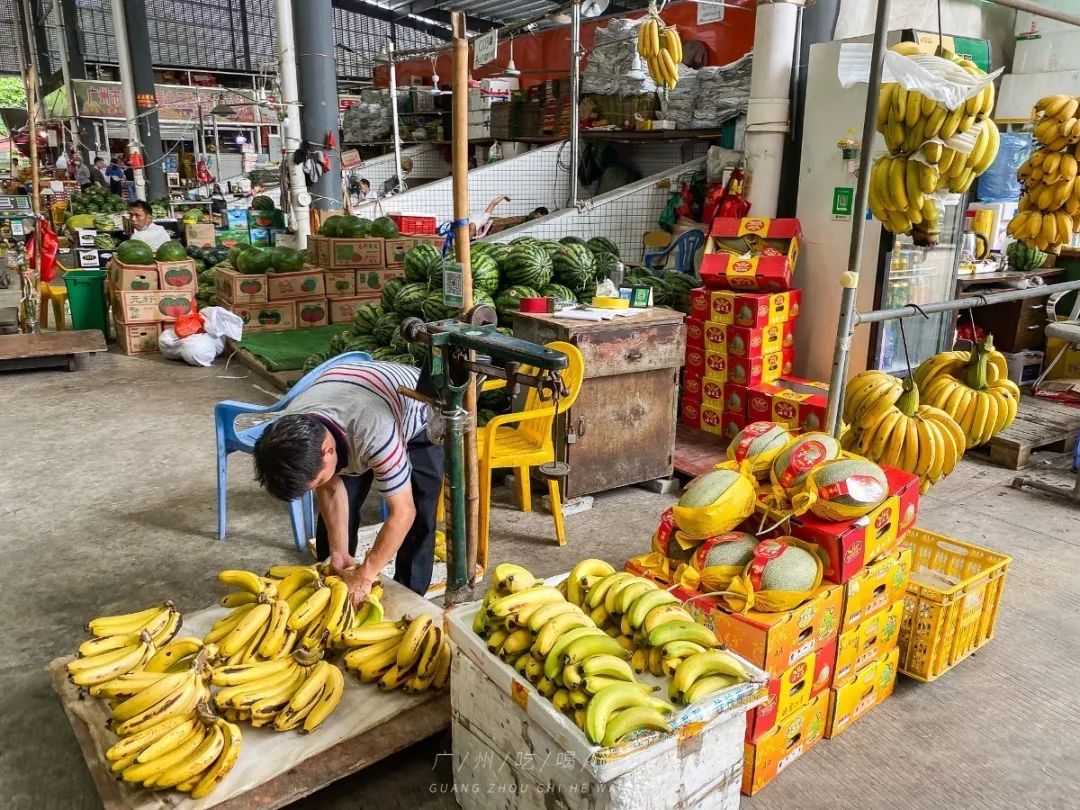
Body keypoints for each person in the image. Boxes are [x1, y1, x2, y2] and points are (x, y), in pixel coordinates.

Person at [252, 360, 443, 604]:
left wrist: (366, 573)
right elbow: (329, 488)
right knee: (342, 510)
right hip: (348, 397)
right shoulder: (290, 429)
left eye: (317, 478)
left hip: (415, 408)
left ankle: (409, 595)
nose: (320, 483)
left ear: (327, 451)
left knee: (419, 506)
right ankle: (335, 575)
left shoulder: (375, 433)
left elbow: (402, 513)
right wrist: (338, 551)